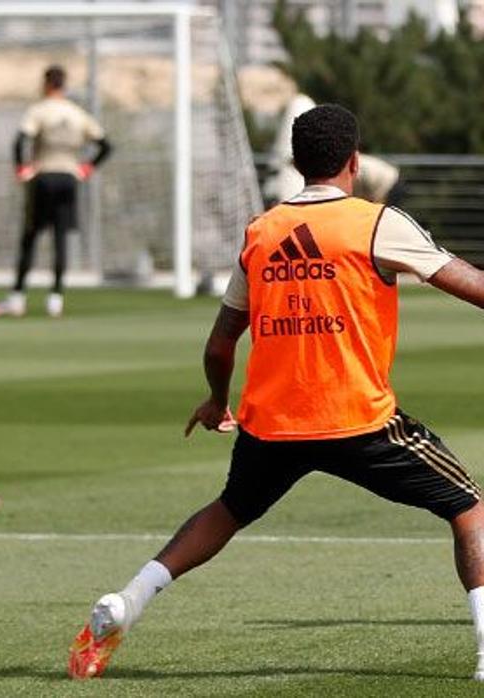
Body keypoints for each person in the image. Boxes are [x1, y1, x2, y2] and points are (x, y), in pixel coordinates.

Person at [67, 104, 484, 680]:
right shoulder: (376, 223)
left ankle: (127, 600)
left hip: (273, 424)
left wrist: (217, 400)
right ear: (355, 161)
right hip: (357, 421)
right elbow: (470, 285)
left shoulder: (261, 233)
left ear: (294, 162)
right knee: (468, 508)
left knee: (229, 510)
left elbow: (218, 344)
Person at [0, 65, 111, 318]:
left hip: (43, 177)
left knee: (30, 237)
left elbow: (20, 140)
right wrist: (87, 168)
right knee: (60, 238)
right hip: (68, 179)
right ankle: (55, 298)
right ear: (64, 85)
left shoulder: (39, 111)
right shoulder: (77, 114)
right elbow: (106, 145)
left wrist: (21, 168)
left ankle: (17, 297)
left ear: (46, 84)